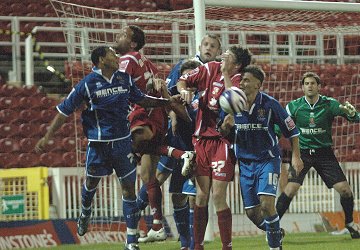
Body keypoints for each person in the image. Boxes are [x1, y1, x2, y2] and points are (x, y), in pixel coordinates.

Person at [35, 46, 180, 250]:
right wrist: (47, 137)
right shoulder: (87, 84)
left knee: (128, 190)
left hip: (122, 144)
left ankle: (131, 242)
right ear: (102, 60)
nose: (117, 57)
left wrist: (166, 102)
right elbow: (64, 111)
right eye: (112, 55)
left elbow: (141, 99)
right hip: (98, 146)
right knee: (91, 185)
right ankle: (85, 211)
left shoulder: (124, 78)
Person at [136, 34, 222, 249]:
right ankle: (141, 216)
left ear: (218, 51)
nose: (209, 48)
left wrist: (173, 107)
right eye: (206, 44)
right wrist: (167, 102)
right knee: (165, 186)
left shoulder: (212, 83)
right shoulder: (183, 70)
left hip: (198, 147)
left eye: (213, 46)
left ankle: (194, 243)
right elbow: (169, 101)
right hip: (176, 142)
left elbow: (183, 111)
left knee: (194, 198)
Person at [114, 25, 194, 242]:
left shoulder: (128, 59)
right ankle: (157, 224)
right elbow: (157, 85)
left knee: (129, 142)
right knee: (148, 175)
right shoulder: (146, 62)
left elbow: (119, 88)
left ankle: (179, 154)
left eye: (123, 35)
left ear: (132, 44)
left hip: (144, 113)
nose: (117, 36)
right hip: (157, 115)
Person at [219, 65, 303, 250]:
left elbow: (292, 131)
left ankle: (275, 247)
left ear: (258, 84)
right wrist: (226, 126)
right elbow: (224, 134)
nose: (242, 83)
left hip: (268, 160)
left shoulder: (270, 104)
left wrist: (296, 157)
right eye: (241, 80)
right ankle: (274, 231)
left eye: (247, 80)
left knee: (266, 205)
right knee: (252, 213)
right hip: (245, 163)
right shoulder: (232, 105)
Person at [177, 45, 252, 250]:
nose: (222, 58)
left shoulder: (239, 80)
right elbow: (183, 79)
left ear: (236, 65)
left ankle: (226, 246)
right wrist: (183, 90)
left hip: (222, 142)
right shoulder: (209, 68)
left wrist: (226, 74)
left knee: (218, 195)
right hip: (201, 139)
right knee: (201, 195)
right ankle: (198, 246)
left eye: (227, 57)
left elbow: (233, 100)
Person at [275, 71, 360, 239]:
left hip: (324, 154)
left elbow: (354, 117)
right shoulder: (294, 106)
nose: (310, 86)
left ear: (319, 87)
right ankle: (273, 227)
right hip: (302, 153)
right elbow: (281, 127)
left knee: (345, 190)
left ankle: (350, 223)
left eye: (313, 83)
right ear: (302, 87)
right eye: (306, 83)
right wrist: (273, 138)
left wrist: (353, 114)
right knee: (290, 190)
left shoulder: (330, 104)